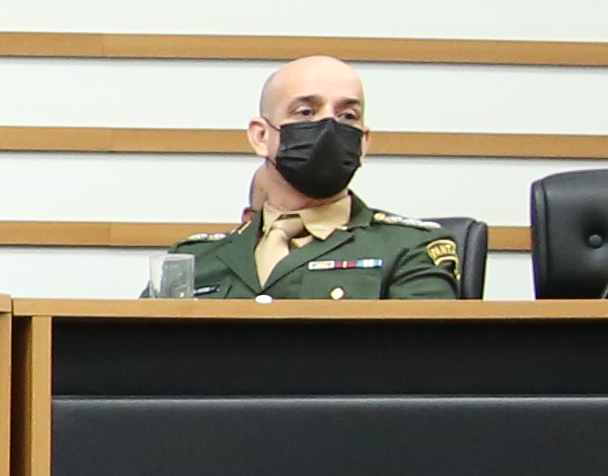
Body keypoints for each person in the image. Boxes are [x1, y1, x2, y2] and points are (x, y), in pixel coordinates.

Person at [153, 56, 466, 300]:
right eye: (305, 112)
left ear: (363, 142)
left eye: (347, 116)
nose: (328, 126)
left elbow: (419, 367)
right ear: (261, 136)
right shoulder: (194, 259)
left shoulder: (409, 250)